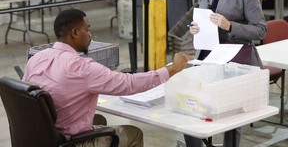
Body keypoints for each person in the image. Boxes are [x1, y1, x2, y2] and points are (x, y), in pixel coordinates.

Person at [22, 8, 193, 147]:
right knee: (133, 134)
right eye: (87, 29)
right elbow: (129, 84)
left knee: (99, 119)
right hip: (68, 142)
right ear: (75, 32)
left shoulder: (37, 58)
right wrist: (173, 68)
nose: (90, 35)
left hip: (40, 136)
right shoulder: (82, 68)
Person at [186, 0, 267, 147]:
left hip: (234, 61)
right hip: (206, 59)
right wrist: (195, 28)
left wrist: (229, 25)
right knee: (191, 112)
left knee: (230, 118)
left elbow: (260, 30)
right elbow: (204, 19)